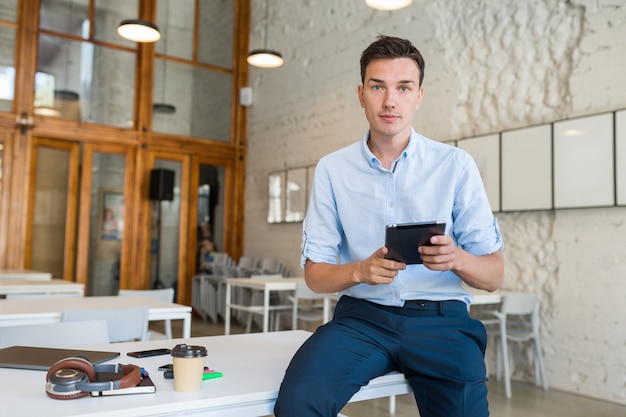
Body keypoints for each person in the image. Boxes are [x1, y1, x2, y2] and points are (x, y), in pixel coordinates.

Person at [274, 35, 504, 417]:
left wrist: (457, 258)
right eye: (378, 86)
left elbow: (494, 275)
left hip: (442, 321)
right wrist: (360, 270)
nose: (389, 100)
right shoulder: (333, 169)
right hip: (362, 320)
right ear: (361, 94)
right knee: (298, 404)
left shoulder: (455, 165)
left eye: (403, 87)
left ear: (419, 95)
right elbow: (315, 276)